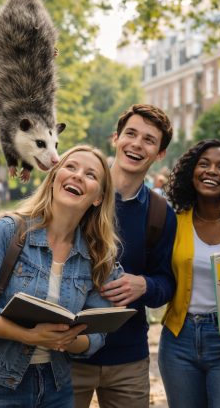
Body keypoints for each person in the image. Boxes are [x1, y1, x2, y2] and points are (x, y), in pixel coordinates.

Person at [0, 145, 121, 407]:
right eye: (71, 167)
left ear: (98, 197)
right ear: (53, 178)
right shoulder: (7, 231)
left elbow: (97, 337)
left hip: (57, 387)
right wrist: (29, 336)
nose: (77, 175)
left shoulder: (99, 256)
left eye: (91, 175)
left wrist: (69, 339)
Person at [72, 104, 178, 408]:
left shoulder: (160, 213)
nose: (136, 143)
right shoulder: (79, 192)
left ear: (159, 154)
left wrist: (144, 285)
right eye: (130, 133)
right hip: (66, 351)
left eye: (149, 139)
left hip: (128, 359)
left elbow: (166, 283)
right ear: (115, 138)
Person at [159, 139, 220, 408]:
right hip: (178, 338)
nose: (211, 171)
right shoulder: (173, 221)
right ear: (190, 172)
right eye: (203, 164)